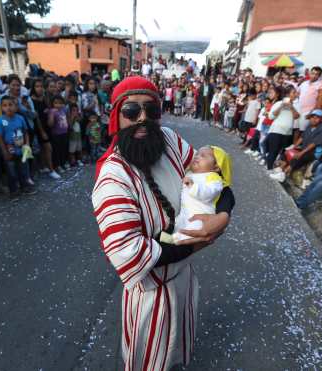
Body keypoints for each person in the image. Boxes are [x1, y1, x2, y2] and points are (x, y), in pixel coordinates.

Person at [92, 76, 234, 371]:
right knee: (149, 362)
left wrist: (222, 217)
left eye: (151, 110)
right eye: (132, 111)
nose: (143, 118)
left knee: (178, 353)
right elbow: (128, 253)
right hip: (151, 298)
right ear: (116, 116)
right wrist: (197, 240)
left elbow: (213, 179)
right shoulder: (112, 177)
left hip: (183, 279)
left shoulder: (169, 140)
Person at [166, 145, 231, 244]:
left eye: (203, 156)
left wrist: (193, 186)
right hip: (184, 213)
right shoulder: (190, 173)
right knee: (175, 225)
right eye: (197, 154)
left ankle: (168, 241)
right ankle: (164, 239)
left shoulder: (213, 178)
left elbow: (209, 193)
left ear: (216, 167)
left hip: (202, 216)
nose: (197, 157)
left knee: (192, 231)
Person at [0, 96, 36, 199]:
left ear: (16, 106)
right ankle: (13, 191)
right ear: (1, 108)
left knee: (23, 169)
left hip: (22, 149)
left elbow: (25, 132)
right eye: (5, 105)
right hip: (10, 149)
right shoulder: (0, 121)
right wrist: (4, 152)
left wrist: (27, 144)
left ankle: (24, 187)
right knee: (11, 172)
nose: (8, 108)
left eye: (11, 105)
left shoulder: (20, 118)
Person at [270, 109, 322, 183]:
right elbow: (301, 138)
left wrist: (301, 153)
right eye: (313, 117)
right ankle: (280, 169)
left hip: (313, 152)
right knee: (287, 150)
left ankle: (283, 175)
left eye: (317, 118)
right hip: (305, 149)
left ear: (320, 119)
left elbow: (314, 144)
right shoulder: (309, 127)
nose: (314, 119)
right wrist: (293, 146)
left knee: (299, 156)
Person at [264, 86, 300, 171]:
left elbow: (296, 116)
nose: (295, 95)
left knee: (281, 153)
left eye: (296, 93)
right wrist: (281, 106)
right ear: (287, 94)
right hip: (276, 131)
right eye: (293, 93)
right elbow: (270, 116)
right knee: (273, 151)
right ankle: (269, 169)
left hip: (287, 133)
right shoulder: (278, 103)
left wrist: (291, 107)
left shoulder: (296, 105)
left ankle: (274, 168)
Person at [29, 78, 55, 177]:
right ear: (33, 88)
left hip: (47, 125)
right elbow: (36, 117)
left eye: (41, 86)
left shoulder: (44, 98)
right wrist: (42, 131)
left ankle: (44, 167)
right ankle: (51, 170)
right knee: (48, 148)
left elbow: (48, 109)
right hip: (38, 127)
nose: (39, 88)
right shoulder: (31, 100)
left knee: (45, 149)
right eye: (37, 86)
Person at [297, 66, 322, 134]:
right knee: (297, 129)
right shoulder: (304, 83)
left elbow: (320, 101)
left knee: (304, 131)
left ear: (319, 76)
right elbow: (298, 94)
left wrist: (312, 113)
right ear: (310, 73)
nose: (314, 75)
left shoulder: (321, 85)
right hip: (299, 109)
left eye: (317, 74)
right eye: (313, 73)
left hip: (309, 111)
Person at [47, 95, 69, 174]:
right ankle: (57, 165)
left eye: (60, 103)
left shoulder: (63, 110)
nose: (58, 105)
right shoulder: (52, 111)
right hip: (56, 135)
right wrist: (52, 115)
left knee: (63, 149)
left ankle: (63, 163)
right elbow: (50, 124)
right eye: (56, 103)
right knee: (57, 151)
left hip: (64, 133)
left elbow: (66, 119)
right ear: (52, 104)